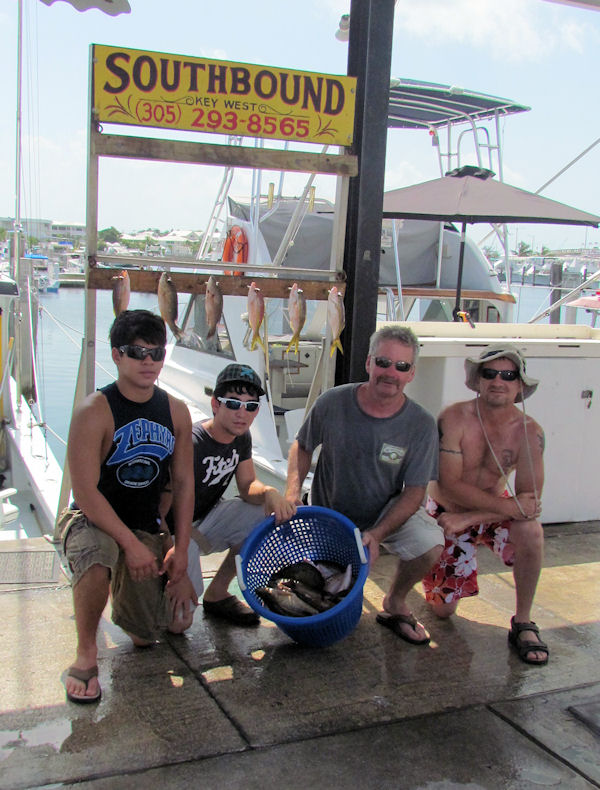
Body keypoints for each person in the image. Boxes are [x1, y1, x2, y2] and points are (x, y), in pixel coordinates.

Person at [59, 309, 195, 704]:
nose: (148, 362)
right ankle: (87, 651)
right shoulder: (94, 411)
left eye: (157, 353)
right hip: (92, 519)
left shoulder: (176, 411)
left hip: (144, 523)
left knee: (146, 636)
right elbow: (85, 493)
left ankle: (125, 588)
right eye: (137, 352)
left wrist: (180, 549)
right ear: (117, 355)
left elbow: (184, 485)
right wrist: (129, 546)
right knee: (98, 554)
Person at [285, 326, 444, 645]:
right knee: (322, 596)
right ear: (369, 363)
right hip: (329, 515)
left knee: (431, 544)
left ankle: (395, 601)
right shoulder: (332, 402)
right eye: (384, 362)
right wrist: (291, 493)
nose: (391, 373)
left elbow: (414, 492)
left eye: (401, 366)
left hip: (385, 515)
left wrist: (377, 534)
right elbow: (302, 446)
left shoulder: (421, 424)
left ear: (411, 373)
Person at [423, 344, 548, 666]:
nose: (498, 380)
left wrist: (477, 517)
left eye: (508, 375)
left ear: (520, 385)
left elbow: (530, 500)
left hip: (489, 511)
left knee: (530, 531)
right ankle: (431, 572)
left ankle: (523, 621)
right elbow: (450, 483)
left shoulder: (529, 432)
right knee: (442, 612)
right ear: (477, 380)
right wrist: (474, 515)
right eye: (490, 373)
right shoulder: (453, 417)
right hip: (446, 511)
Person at [165, 363, 296, 629]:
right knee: (178, 625)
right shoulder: (192, 443)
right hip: (173, 533)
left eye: (250, 406)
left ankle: (218, 594)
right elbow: (160, 508)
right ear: (215, 404)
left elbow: (247, 485)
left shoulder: (241, 436)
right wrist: (176, 566)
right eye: (233, 403)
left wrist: (270, 492)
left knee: (261, 514)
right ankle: (160, 584)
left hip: (205, 520)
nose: (242, 413)